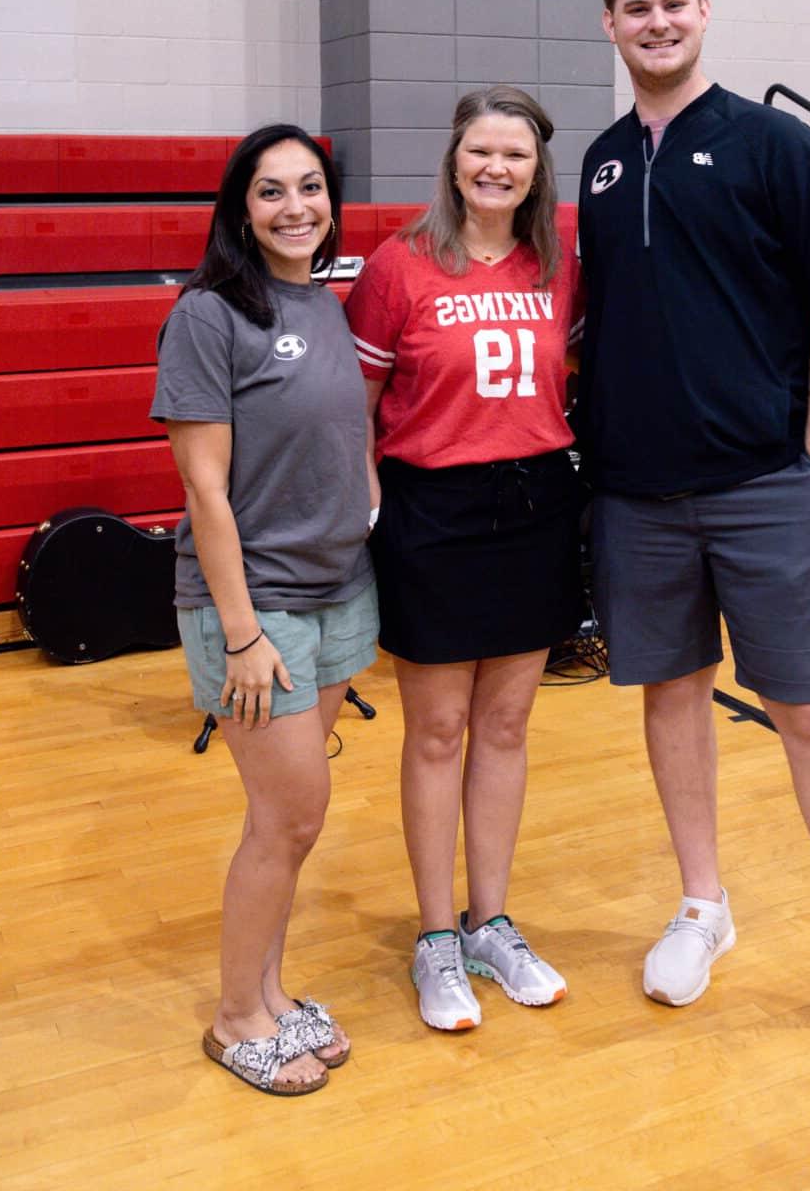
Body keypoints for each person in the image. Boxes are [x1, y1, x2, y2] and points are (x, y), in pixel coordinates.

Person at [575, 0, 810, 1091]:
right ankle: (702, 903)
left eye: (672, 4)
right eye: (635, 9)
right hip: (635, 494)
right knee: (670, 697)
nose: (655, 22)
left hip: (764, 489)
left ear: (704, 12)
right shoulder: (594, 164)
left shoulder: (774, 145)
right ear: (609, 25)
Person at [344, 85, 583, 1033]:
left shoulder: (558, 268)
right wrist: (369, 511)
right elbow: (353, 408)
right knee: (438, 732)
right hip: (431, 510)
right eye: (481, 150)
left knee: (510, 725)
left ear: (537, 169)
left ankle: (493, 921)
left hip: (534, 505)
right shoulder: (398, 267)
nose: (496, 168)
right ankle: (435, 937)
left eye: (515, 155)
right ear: (453, 159)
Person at [150, 123, 378, 1097]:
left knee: (289, 820)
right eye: (272, 192)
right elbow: (204, 489)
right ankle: (234, 1016)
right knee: (288, 819)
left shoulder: (321, 302)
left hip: (339, 596)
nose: (296, 208)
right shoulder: (209, 315)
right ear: (239, 209)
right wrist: (240, 635)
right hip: (257, 610)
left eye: (310, 188)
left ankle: (273, 994)